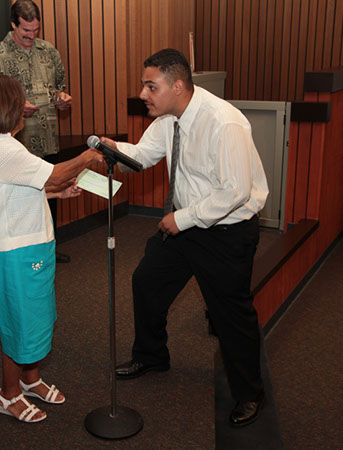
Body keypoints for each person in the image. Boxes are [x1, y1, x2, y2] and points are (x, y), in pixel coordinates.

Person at [102, 49, 270, 427]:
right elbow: (144, 156)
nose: (143, 94)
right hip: (185, 224)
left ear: (177, 85)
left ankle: (249, 393)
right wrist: (115, 150)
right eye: (143, 86)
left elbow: (236, 191)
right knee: (146, 282)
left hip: (225, 230)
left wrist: (183, 218)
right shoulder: (169, 119)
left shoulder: (224, 123)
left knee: (231, 314)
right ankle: (151, 355)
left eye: (151, 86)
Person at [0, 75, 101, 423]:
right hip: (14, 253)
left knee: (35, 318)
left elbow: (14, 191)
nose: (24, 106)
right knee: (18, 324)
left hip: (29, 246)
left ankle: (30, 379)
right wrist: (88, 156)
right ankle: (7, 395)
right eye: (18, 100)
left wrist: (54, 193)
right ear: (2, 107)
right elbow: (53, 174)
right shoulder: (0, 148)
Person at [0, 0, 73, 264]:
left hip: (48, 140)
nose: (32, 37)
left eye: (36, 31)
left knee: (51, 194)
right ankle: (26, 255)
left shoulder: (49, 52)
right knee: (22, 202)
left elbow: (58, 87)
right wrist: (16, 109)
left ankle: (49, 249)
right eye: (26, 32)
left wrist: (62, 99)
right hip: (15, 148)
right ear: (13, 24)